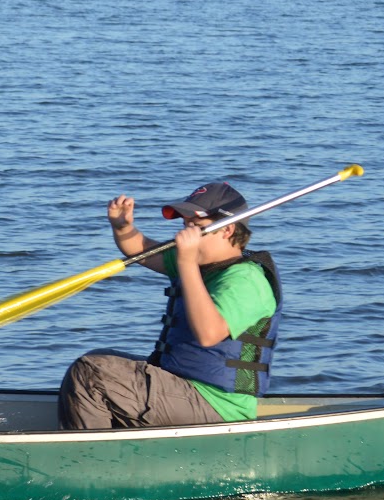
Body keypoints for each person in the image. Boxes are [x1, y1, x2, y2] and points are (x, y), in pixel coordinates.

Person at [57, 180, 281, 430]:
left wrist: (186, 262)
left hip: (217, 405)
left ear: (226, 230)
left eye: (195, 227)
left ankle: (91, 458)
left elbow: (209, 335)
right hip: (182, 386)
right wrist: (122, 227)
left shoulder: (245, 280)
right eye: (185, 225)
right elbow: (140, 250)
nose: (184, 235)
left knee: (91, 373)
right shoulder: (200, 263)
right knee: (96, 358)